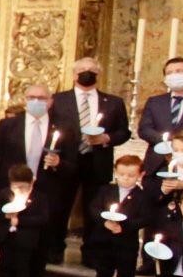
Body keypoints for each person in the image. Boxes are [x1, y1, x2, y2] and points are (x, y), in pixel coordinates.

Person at [0, 83, 78, 277]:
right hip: (11, 190)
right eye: (31, 97)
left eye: (41, 98)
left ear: (50, 101)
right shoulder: (8, 125)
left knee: (40, 242)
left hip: (45, 193)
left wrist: (58, 163)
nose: (36, 102)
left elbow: (74, 165)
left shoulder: (65, 128)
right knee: (8, 243)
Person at [50, 56, 131, 241]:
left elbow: (124, 132)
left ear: (98, 74)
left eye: (92, 71)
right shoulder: (58, 100)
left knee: (95, 210)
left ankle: (92, 253)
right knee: (60, 207)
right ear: (73, 75)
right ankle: (54, 249)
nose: (87, 74)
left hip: (97, 162)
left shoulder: (114, 102)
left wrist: (106, 138)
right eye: (82, 71)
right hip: (65, 161)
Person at [81, 154, 153, 277]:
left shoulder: (142, 196)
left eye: (131, 175)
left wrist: (124, 226)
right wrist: (104, 222)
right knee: (103, 273)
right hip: (104, 240)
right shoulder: (106, 190)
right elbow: (94, 207)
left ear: (140, 175)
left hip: (126, 242)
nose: (125, 179)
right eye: (121, 174)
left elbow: (145, 218)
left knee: (126, 276)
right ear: (115, 172)